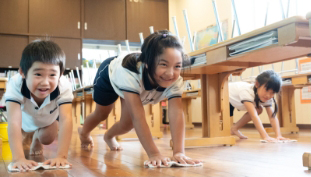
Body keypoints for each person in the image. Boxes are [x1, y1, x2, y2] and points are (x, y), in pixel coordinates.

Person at [78, 30, 200, 167]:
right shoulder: (130, 73)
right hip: (110, 73)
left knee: (127, 124)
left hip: (133, 82)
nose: (170, 73)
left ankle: (108, 136)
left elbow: (177, 113)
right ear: (148, 63)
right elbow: (139, 116)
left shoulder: (175, 81)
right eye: (164, 65)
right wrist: (154, 154)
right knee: (102, 113)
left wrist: (179, 152)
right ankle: (83, 133)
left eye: (177, 66)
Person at [4, 40, 74, 172]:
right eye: (38, 74)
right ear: (23, 72)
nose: (45, 82)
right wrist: (18, 158)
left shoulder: (63, 85)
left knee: (48, 136)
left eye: (53, 75)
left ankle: (37, 138)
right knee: (20, 137)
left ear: (61, 74)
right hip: (24, 122)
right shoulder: (15, 84)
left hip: (47, 123)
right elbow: (13, 121)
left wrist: (61, 156)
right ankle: (31, 137)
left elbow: (66, 119)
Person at [229, 70, 289, 142]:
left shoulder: (268, 97)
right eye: (267, 91)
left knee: (258, 109)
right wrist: (265, 136)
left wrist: (278, 135)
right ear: (257, 84)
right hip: (225, 93)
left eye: (272, 93)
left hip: (238, 100)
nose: (268, 95)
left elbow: (272, 116)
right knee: (255, 111)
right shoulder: (247, 92)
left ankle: (234, 128)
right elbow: (254, 116)